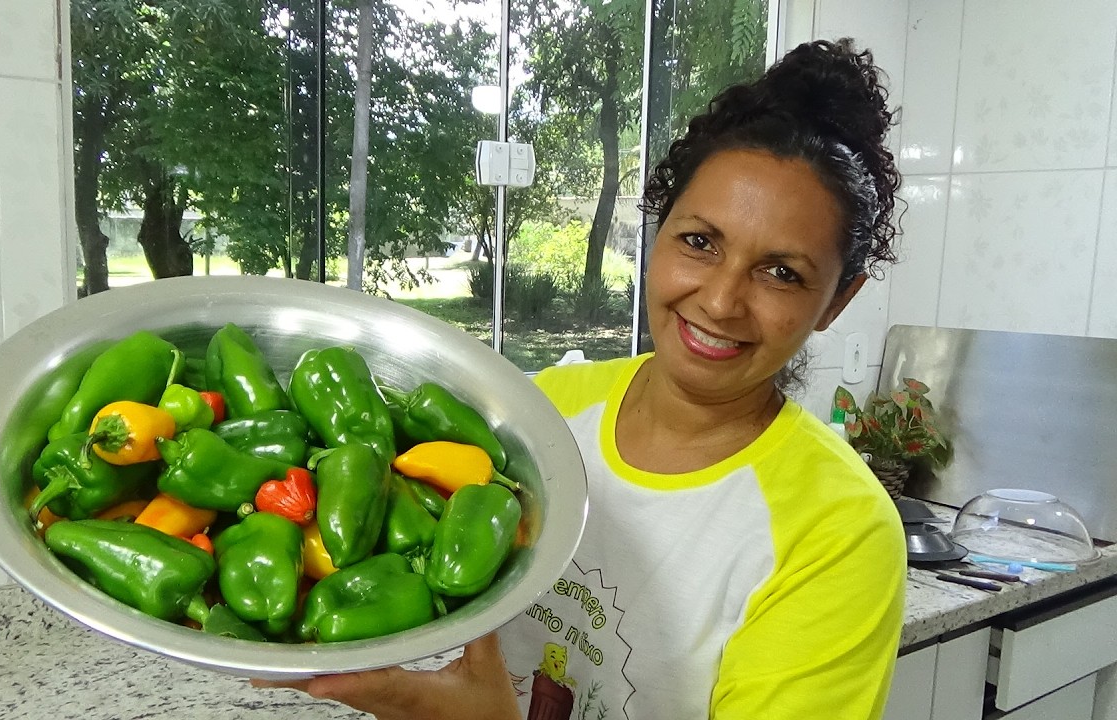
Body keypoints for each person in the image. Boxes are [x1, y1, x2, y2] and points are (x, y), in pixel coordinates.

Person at [257, 37, 907, 720]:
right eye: (699, 241)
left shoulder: (840, 533)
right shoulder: (547, 417)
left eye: (782, 272)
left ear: (837, 300)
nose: (720, 300)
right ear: (658, 233)